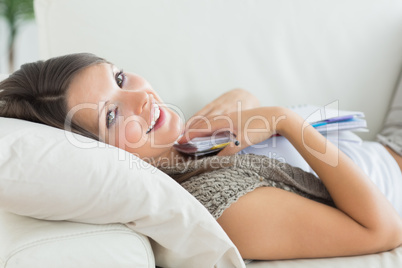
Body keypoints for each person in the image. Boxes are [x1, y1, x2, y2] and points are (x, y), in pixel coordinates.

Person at [0, 53, 401, 260]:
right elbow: (381, 232)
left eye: (120, 79)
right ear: (99, 155)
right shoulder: (220, 203)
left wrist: (244, 103)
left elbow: (248, 112)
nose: (141, 97)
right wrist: (285, 120)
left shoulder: (183, 144)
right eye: (111, 114)